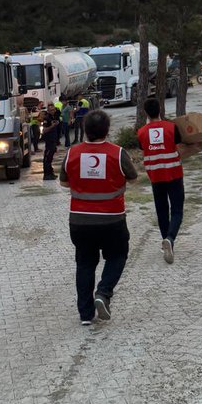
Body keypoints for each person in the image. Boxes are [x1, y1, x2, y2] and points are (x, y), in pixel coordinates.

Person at [59, 109, 138, 325]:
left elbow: (64, 182)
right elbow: (133, 178)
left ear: (84, 130)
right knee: (118, 255)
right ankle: (103, 293)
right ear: (107, 130)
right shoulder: (118, 153)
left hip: (79, 220)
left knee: (84, 263)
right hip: (112, 219)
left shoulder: (72, 153)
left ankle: (85, 315)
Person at [137, 97, 185, 264]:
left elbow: (142, 147)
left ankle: (166, 239)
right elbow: (180, 143)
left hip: (155, 177)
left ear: (146, 113)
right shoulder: (171, 127)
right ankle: (170, 239)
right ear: (160, 110)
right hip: (174, 174)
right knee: (177, 210)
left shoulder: (141, 132)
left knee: (162, 211)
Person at [41, 105, 61, 179]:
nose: (53, 111)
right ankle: (47, 174)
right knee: (47, 157)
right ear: (48, 111)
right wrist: (52, 126)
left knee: (50, 157)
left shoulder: (53, 117)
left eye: (54, 110)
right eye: (51, 110)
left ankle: (50, 172)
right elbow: (44, 130)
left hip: (53, 140)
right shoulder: (47, 119)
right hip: (49, 140)